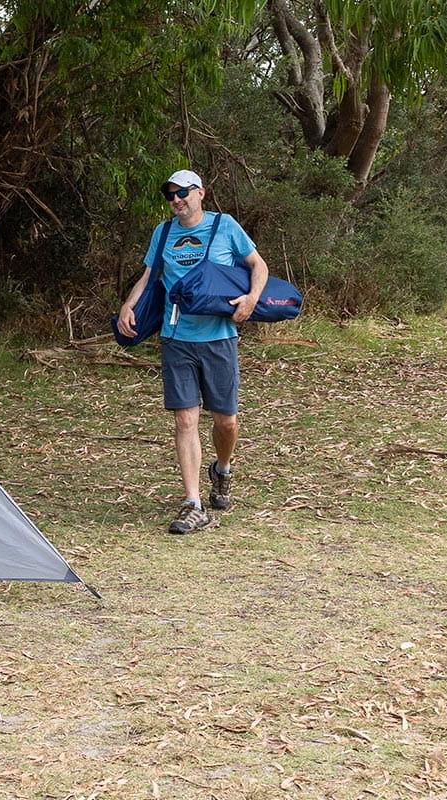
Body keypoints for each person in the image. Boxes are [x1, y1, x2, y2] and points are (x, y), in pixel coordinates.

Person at [116, 170, 268, 534]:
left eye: (182, 193)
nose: (175, 201)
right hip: (176, 337)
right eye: (170, 196)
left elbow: (258, 266)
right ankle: (193, 503)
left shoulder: (225, 226)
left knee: (225, 421)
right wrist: (128, 305)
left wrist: (251, 299)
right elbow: (149, 276)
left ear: (200, 192)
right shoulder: (163, 232)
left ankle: (223, 468)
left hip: (218, 337)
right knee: (185, 420)